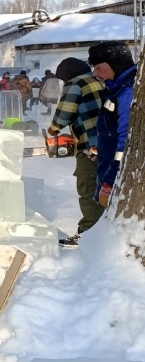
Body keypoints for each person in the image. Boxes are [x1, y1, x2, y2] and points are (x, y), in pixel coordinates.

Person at [47, 57, 105, 246]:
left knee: (88, 189)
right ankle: (104, 234)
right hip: (108, 144)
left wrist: (53, 129)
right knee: (106, 189)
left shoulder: (75, 84)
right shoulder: (98, 80)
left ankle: (88, 236)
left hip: (91, 147)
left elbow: (64, 115)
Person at [89, 41, 137, 210]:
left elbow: (127, 142)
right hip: (109, 170)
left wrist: (109, 181)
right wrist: (100, 146)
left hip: (118, 182)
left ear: (115, 64)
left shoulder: (128, 92)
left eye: (98, 67)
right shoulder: (115, 90)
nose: (95, 73)